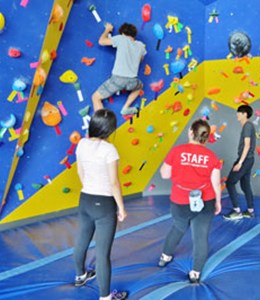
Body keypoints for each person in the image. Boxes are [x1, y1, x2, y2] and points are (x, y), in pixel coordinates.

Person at [158, 119, 222, 283]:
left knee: (178, 227)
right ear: (206, 137)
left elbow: (165, 175)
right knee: (200, 237)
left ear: (191, 133)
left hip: (180, 201)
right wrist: (218, 202)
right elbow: (216, 183)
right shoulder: (212, 156)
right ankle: (195, 273)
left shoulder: (177, 151)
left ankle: (165, 257)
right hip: (205, 200)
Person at [74, 109, 128, 300]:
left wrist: (89, 186)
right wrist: (121, 207)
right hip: (103, 203)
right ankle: (105, 297)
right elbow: (113, 183)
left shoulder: (81, 144)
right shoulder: (109, 150)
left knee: (82, 239)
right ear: (109, 130)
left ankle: (80, 275)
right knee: (102, 252)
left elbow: (81, 172)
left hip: (85, 198)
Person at [92, 23, 147, 116]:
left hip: (118, 79)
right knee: (140, 86)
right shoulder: (141, 45)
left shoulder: (121, 39)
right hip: (132, 81)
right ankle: (126, 107)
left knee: (95, 97)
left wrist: (107, 30)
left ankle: (101, 120)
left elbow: (101, 41)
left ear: (123, 33)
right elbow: (141, 59)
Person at [223, 104, 256, 220]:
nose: (237, 114)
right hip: (248, 159)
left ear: (245, 114)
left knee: (230, 183)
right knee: (245, 184)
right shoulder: (248, 126)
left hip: (245, 159)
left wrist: (240, 162)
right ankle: (250, 210)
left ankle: (236, 211)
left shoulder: (247, 126)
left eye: (239, 113)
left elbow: (247, 145)